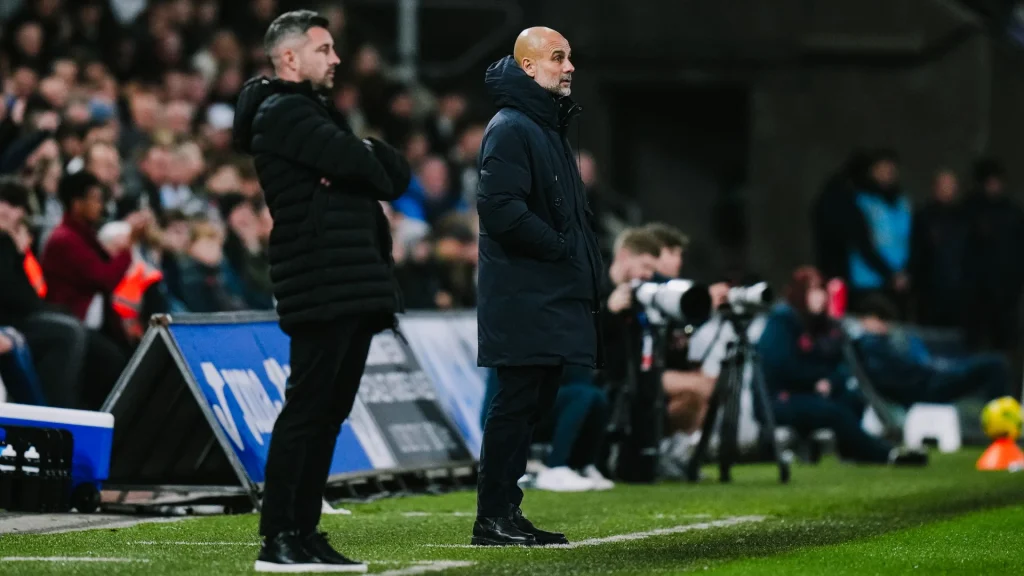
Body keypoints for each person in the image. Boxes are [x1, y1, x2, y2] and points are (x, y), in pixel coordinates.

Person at [232, 10, 411, 573]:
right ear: (290, 58)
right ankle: (278, 538)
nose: (336, 59)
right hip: (320, 280)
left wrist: (360, 156)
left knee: (327, 413)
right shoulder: (283, 112)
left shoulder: (313, 115)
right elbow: (372, 171)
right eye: (324, 49)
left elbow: (390, 174)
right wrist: (360, 160)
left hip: (347, 282)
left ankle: (303, 532)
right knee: (308, 410)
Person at [474, 27, 604, 547]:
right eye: (557, 57)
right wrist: (559, 248)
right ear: (528, 67)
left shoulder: (543, 127)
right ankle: (492, 516)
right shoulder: (511, 127)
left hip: (546, 291)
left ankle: (508, 508)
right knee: (516, 402)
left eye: (570, 56)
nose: (569, 66)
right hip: (525, 292)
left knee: (532, 403)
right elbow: (500, 208)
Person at [757, 267, 927, 466]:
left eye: (822, 291)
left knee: (852, 399)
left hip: (808, 393)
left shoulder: (819, 325)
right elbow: (781, 366)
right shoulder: (782, 321)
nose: (820, 297)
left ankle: (852, 451)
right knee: (834, 412)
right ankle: (886, 455)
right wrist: (815, 381)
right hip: (778, 399)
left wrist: (829, 380)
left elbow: (835, 364)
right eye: (814, 291)